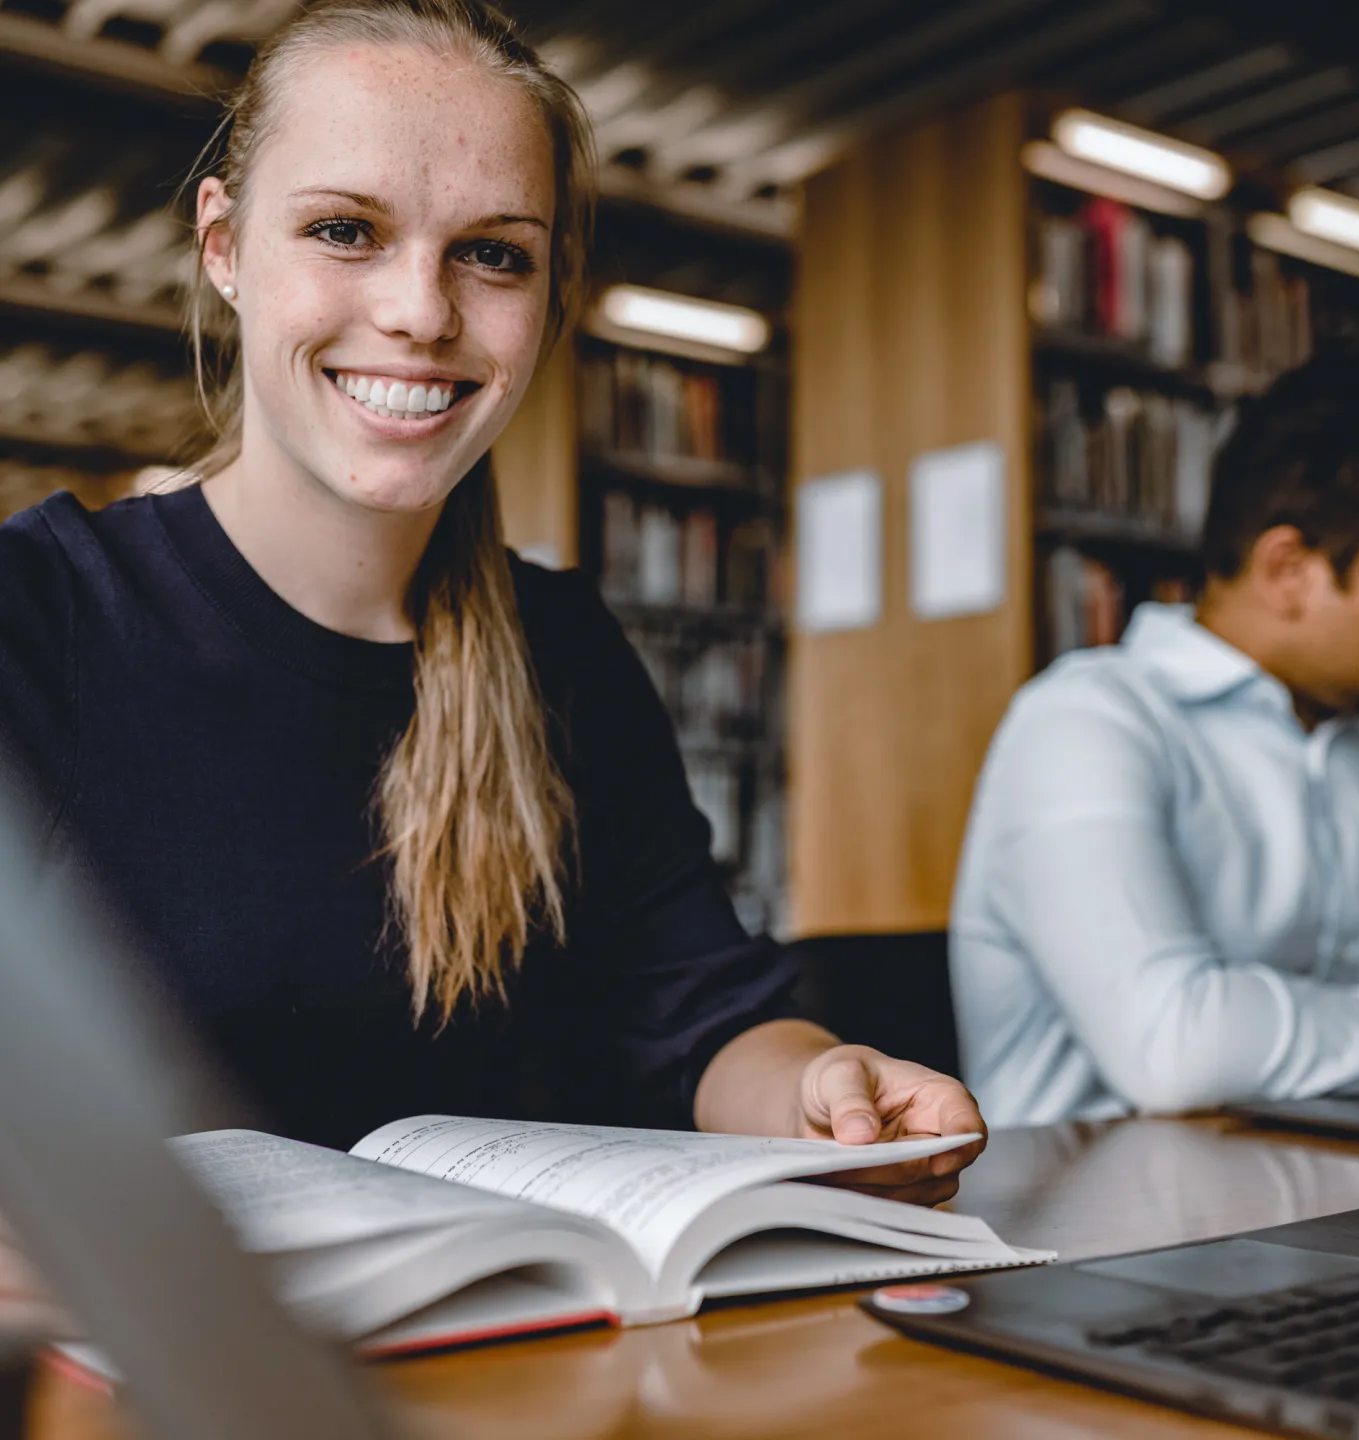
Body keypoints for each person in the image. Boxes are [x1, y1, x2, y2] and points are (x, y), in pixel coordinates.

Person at [0, 0, 982, 1204]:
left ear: (551, 291)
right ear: (223, 247)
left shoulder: (563, 649)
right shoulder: (39, 620)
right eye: (345, 229)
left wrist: (832, 1091)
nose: (422, 310)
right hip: (153, 1384)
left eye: (494, 252)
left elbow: (700, 1024)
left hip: (538, 1362)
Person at [951, 351, 1359, 1129]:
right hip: (1098, 1229)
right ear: (1290, 570)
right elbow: (1177, 1048)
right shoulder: (1088, 722)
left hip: (1347, 1198)